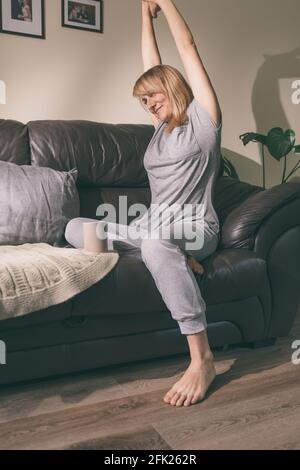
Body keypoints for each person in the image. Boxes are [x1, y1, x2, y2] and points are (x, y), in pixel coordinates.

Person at [65, 0, 222, 407]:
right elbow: (149, 62)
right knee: (75, 227)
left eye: (153, 95)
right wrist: (142, 13)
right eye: (143, 100)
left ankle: (201, 358)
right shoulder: (158, 133)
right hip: (152, 227)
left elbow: (186, 47)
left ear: (173, 88)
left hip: (195, 226)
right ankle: (173, 257)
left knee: (155, 242)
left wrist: (164, 2)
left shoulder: (205, 122)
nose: (149, 103)